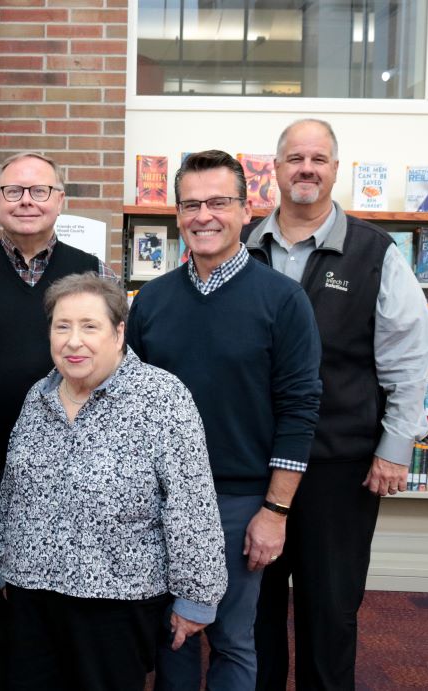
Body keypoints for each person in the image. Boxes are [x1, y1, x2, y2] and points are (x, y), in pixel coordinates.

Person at [244, 119, 428, 691]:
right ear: (273, 169)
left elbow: (408, 355)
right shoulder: (238, 246)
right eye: (294, 157)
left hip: (339, 463)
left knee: (331, 611)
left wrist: (394, 447)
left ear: (335, 169)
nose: (307, 168)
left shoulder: (376, 253)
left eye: (319, 159)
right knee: (254, 612)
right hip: (253, 461)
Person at [127, 149, 323, 690]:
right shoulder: (151, 301)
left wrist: (275, 511)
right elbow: (130, 407)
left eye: (218, 202)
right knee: (171, 636)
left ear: (245, 210)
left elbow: (300, 409)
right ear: (177, 214)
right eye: (191, 204)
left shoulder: (283, 301)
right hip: (160, 501)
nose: (203, 216)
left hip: (240, 502)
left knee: (234, 640)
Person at [0, 273, 226, 690]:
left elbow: (192, 505)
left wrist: (197, 596)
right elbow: (13, 491)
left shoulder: (162, 398)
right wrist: (6, 561)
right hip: (33, 594)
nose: (73, 341)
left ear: (118, 333)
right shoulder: (38, 396)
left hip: (117, 603)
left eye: (89, 326)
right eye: (62, 326)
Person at [0, 151, 115, 690]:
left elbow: (117, 368)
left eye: (40, 192)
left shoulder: (93, 274)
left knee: (50, 606)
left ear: (60, 201)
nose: (26, 201)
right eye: (13, 191)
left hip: (67, 474)